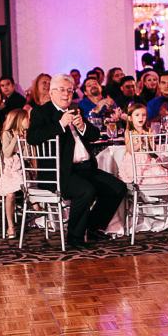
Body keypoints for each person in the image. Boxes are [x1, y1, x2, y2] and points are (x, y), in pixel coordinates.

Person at [25, 73, 126, 249]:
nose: (66, 94)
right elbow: (32, 137)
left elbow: (94, 135)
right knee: (86, 192)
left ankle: (92, 226)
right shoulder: (41, 112)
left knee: (117, 188)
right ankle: (75, 237)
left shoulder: (75, 109)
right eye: (62, 90)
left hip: (85, 169)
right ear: (52, 92)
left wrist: (82, 127)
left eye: (70, 90)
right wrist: (60, 124)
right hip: (59, 172)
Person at [0, 108, 29, 239]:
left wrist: (26, 141)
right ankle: (10, 226)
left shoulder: (28, 133)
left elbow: (27, 157)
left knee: (31, 190)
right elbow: (7, 153)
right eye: (27, 118)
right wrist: (16, 139)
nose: (29, 121)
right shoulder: (7, 134)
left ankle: (39, 216)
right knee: (10, 194)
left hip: (23, 169)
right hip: (9, 169)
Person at [119, 103, 168, 185]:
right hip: (135, 162)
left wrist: (150, 138)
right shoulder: (129, 132)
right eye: (137, 115)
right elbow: (130, 150)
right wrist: (141, 141)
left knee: (157, 175)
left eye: (143, 115)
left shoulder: (148, 130)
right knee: (139, 175)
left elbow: (152, 150)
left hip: (147, 160)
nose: (141, 117)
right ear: (130, 118)